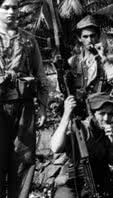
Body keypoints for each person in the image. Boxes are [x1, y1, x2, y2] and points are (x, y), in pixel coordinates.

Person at [0, 0, 49, 197]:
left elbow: (41, 75)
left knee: (24, 159)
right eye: (6, 7)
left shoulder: (28, 39)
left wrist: (44, 106)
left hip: (24, 108)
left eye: (14, 7)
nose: (11, 11)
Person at [50, 92, 113, 198]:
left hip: (98, 181)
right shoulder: (80, 128)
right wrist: (66, 114)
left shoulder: (109, 133)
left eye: (110, 114)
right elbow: (55, 147)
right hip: (72, 182)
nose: (106, 118)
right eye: (102, 113)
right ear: (92, 114)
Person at [66, 15, 113, 117]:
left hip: (101, 112)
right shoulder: (73, 61)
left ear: (98, 36)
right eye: (85, 36)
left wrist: (102, 58)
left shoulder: (109, 59)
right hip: (79, 111)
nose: (89, 40)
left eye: (92, 36)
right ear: (79, 38)